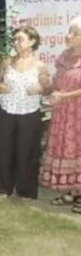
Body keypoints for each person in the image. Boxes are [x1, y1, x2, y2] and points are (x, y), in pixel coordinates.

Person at [0, 26, 50, 200]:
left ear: (32, 42)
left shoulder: (40, 66)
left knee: (28, 151)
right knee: (3, 150)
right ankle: (3, 188)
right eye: (15, 39)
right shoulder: (7, 62)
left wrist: (41, 88)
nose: (16, 43)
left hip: (30, 112)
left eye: (20, 39)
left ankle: (26, 190)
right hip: (7, 111)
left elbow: (49, 88)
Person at [42, 16, 81, 213]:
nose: (69, 36)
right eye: (69, 32)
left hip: (78, 113)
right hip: (63, 113)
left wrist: (64, 96)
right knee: (67, 149)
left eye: (74, 33)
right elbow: (57, 81)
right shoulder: (65, 56)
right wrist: (47, 87)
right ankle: (72, 192)